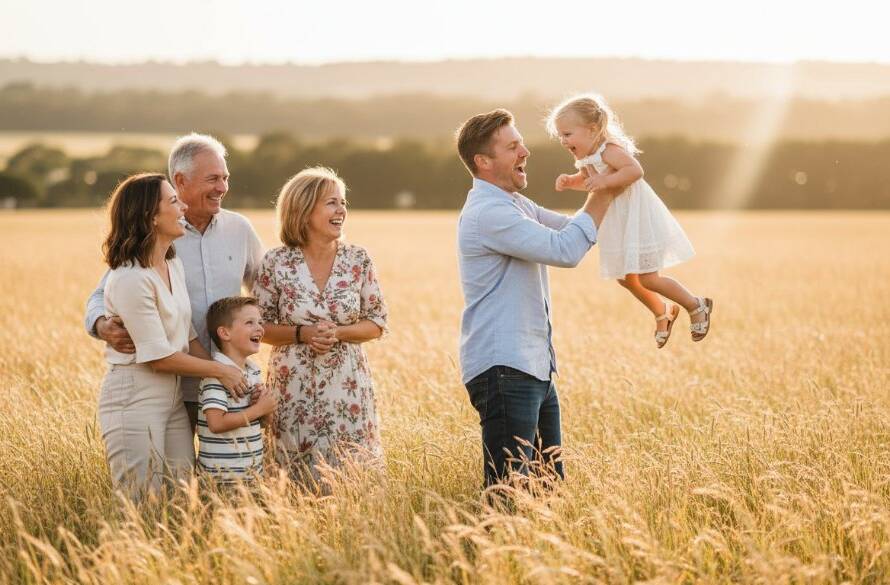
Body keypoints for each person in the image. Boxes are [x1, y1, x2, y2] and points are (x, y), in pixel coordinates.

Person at [456, 109, 616, 490]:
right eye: (513, 147)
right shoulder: (490, 212)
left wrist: (609, 183)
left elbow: (574, 227)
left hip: (533, 367)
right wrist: (606, 188)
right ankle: (500, 550)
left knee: (548, 489)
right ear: (484, 161)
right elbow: (566, 249)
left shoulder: (515, 204)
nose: (525, 151)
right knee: (510, 491)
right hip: (505, 369)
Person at [85, 133, 265, 428]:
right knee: (167, 471)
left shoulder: (240, 229)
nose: (222, 188)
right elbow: (102, 294)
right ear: (180, 181)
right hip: (168, 386)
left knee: (220, 470)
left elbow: (265, 293)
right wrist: (102, 325)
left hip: (224, 387)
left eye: (225, 178)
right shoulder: (157, 237)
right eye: (212, 179)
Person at [97, 173, 246, 498]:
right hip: (134, 397)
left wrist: (227, 379)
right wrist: (223, 371)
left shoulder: (171, 265)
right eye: (174, 201)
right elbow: (160, 358)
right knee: (140, 505)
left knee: (183, 499)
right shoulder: (130, 279)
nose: (183, 207)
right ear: (150, 216)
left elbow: (189, 337)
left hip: (172, 397)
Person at [253, 167, 387, 482]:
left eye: (343, 203)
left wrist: (338, 332)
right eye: (331, 203)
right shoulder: (276, 262)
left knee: (351, 478)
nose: (341, 210)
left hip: (348, 389)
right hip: (292, 389)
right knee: (293, 479)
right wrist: (303, 334)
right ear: (303, 209)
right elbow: (259, 327)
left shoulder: (358, 259)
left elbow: (377, 322)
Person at [549, 94, 713, 347]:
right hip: (619, 221)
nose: (563, 140)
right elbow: (590, 181)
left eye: (567, 134)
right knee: (625, 278)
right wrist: (572, 182)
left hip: (638, 217)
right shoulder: (585, 158)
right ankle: (663, 312)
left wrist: (604, 181)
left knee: (648, 277)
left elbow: (635, 171)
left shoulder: (609, 150)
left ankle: (696, 304)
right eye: (560, 135)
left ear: (592, 130)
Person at [197, 296, 278, 485]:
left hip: (251, 477)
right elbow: (216, 423)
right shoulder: (216, 375)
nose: (260, 328)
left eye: (260, 322)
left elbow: (261, 424)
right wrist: (258, 410)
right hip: (222, 479)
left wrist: (265, 410)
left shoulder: (253, 372)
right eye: (249, 322)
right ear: (225, 333)